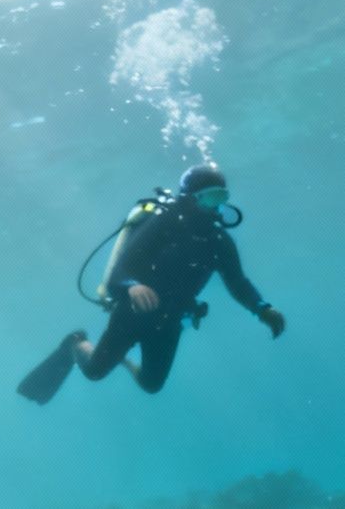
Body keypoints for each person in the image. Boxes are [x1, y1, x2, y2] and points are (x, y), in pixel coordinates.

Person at [19, 164, 285, 405]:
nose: (216, 207)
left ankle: (121, 360)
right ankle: (75, 342)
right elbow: (118, 274)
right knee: (94, 372)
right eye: (210, 197)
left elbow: (238, 283)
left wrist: (262, 309)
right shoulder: (164, 224)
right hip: (132, 315)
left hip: (170, 320)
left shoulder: (219, 241)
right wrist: (132, 286)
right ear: (189, 199)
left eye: (221, 198)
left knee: (152, 384)